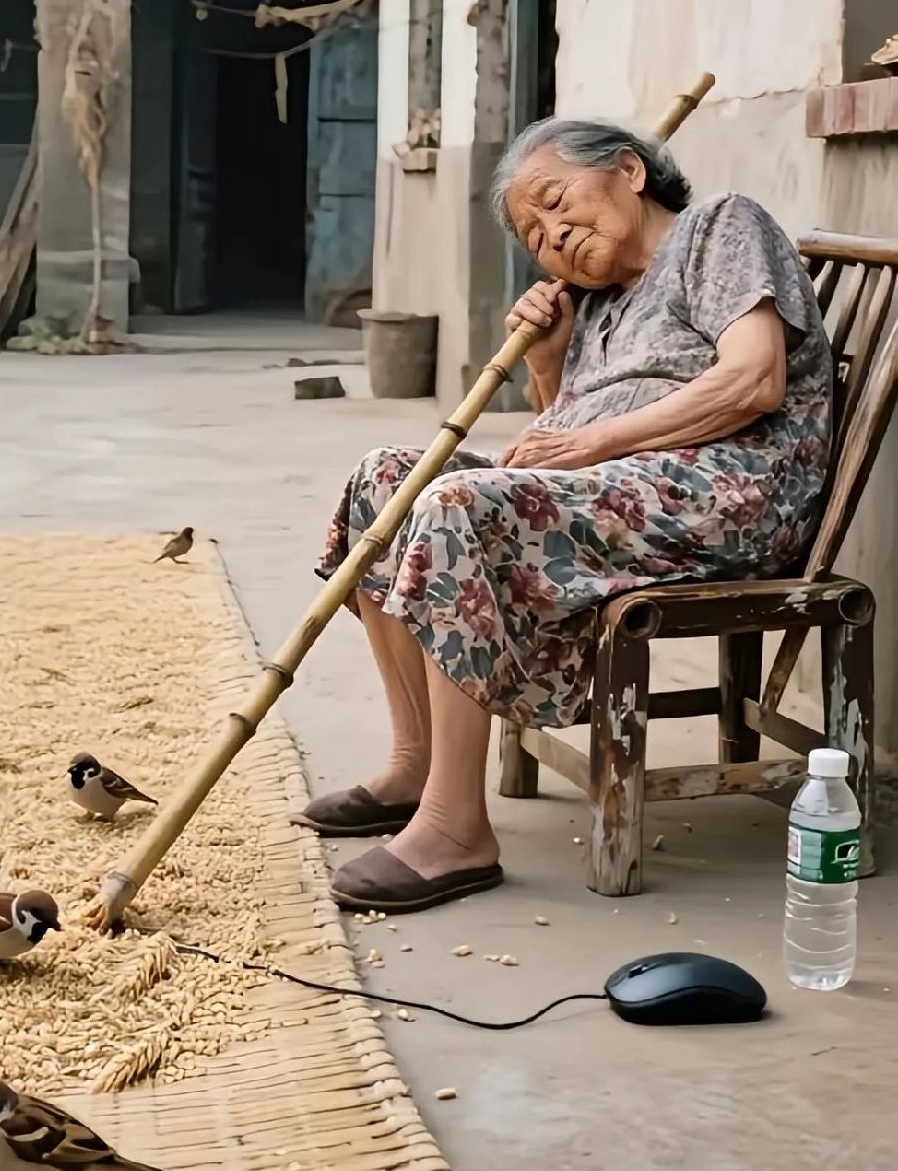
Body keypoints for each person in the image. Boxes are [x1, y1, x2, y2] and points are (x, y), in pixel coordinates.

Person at [299, 117, 833, 914]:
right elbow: (562, 444)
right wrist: (550, 367)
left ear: (630, 170)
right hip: (630, 496)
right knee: (387, 479)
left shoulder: (719, 227)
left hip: (730, 493)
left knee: (456, 506)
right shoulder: (597, 304)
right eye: (535, 233)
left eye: (555, 200)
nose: (552, 234)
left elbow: (753, 381)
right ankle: (414, 765)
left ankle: (455, 829)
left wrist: (590, 442)